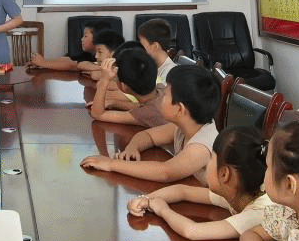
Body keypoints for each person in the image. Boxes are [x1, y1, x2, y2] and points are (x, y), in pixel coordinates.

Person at [80, 65, 220, 184]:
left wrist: (111, 164)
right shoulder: (187, 124)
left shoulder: (200, 147)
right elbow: (148, 135)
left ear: (180, 109)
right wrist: (132, 148)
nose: (160, 98)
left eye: (165, 95)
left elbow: (166, 172)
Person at [128, 125, 272, 240]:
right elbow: (182, 191)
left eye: (211, 159)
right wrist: (145, 199)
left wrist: (162, 210)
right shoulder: (238, 189)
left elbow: (191, 231)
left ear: (224, 174)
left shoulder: (259, 212)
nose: (207, 163)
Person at [87, 43, 166, 129]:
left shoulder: (145, 114)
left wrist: (104, 80)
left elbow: (98, 114)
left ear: (123, 86)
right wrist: (113, 103)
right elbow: (141, 105)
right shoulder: (162, 89)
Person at [28, 19, 109, 74]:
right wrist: (42, 63)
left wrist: (44, 63)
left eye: (85, 36)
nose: (82, 39)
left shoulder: (108, 55)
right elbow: (69, 60)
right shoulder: (87, 54)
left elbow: (72, 66)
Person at [137, 18, 178, 86]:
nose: (140, 50)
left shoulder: (169, 74)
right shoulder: (152, 67)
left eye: (142, 46)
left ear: (155, 46)